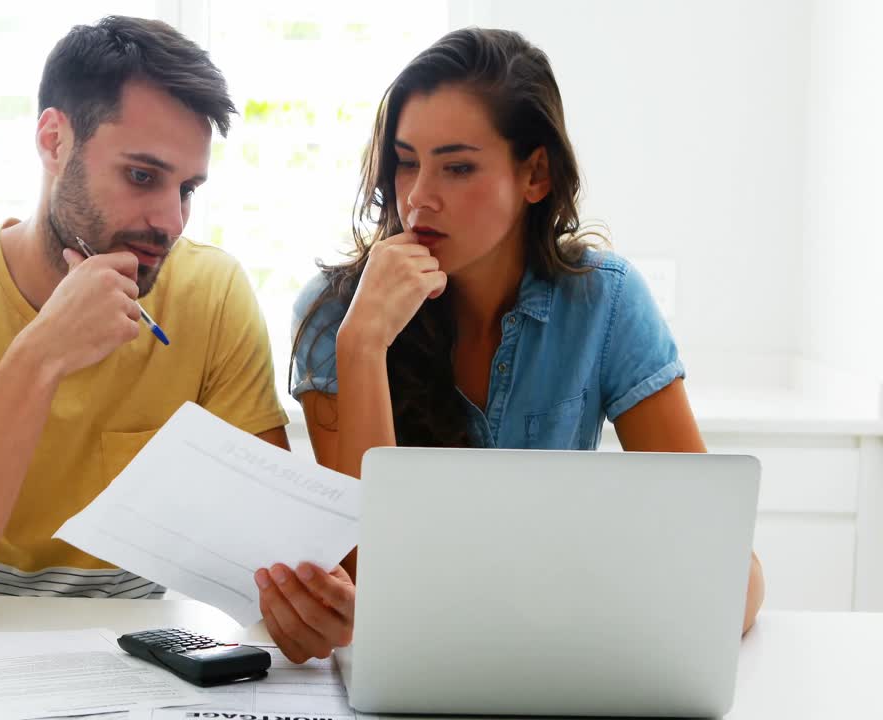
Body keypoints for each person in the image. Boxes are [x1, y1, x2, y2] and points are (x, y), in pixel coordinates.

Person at [257, 27, 765, 663]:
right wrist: (364, 345)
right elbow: (362, 576)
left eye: (458, 166)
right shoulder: (335, 314)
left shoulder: (604, 302)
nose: (418, 198)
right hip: (413, 661)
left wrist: (705, 598)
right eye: (407, 160)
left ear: (536, 174)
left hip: (558, 649)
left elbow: (723, 559)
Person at [0, 16, 289, 622]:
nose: (171, 222)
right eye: (141, 176)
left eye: (187, 189)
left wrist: (308, 601)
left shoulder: (211, 293)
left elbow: (268, 555)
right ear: (54, 141)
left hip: (139, 650)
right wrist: (42, 353)